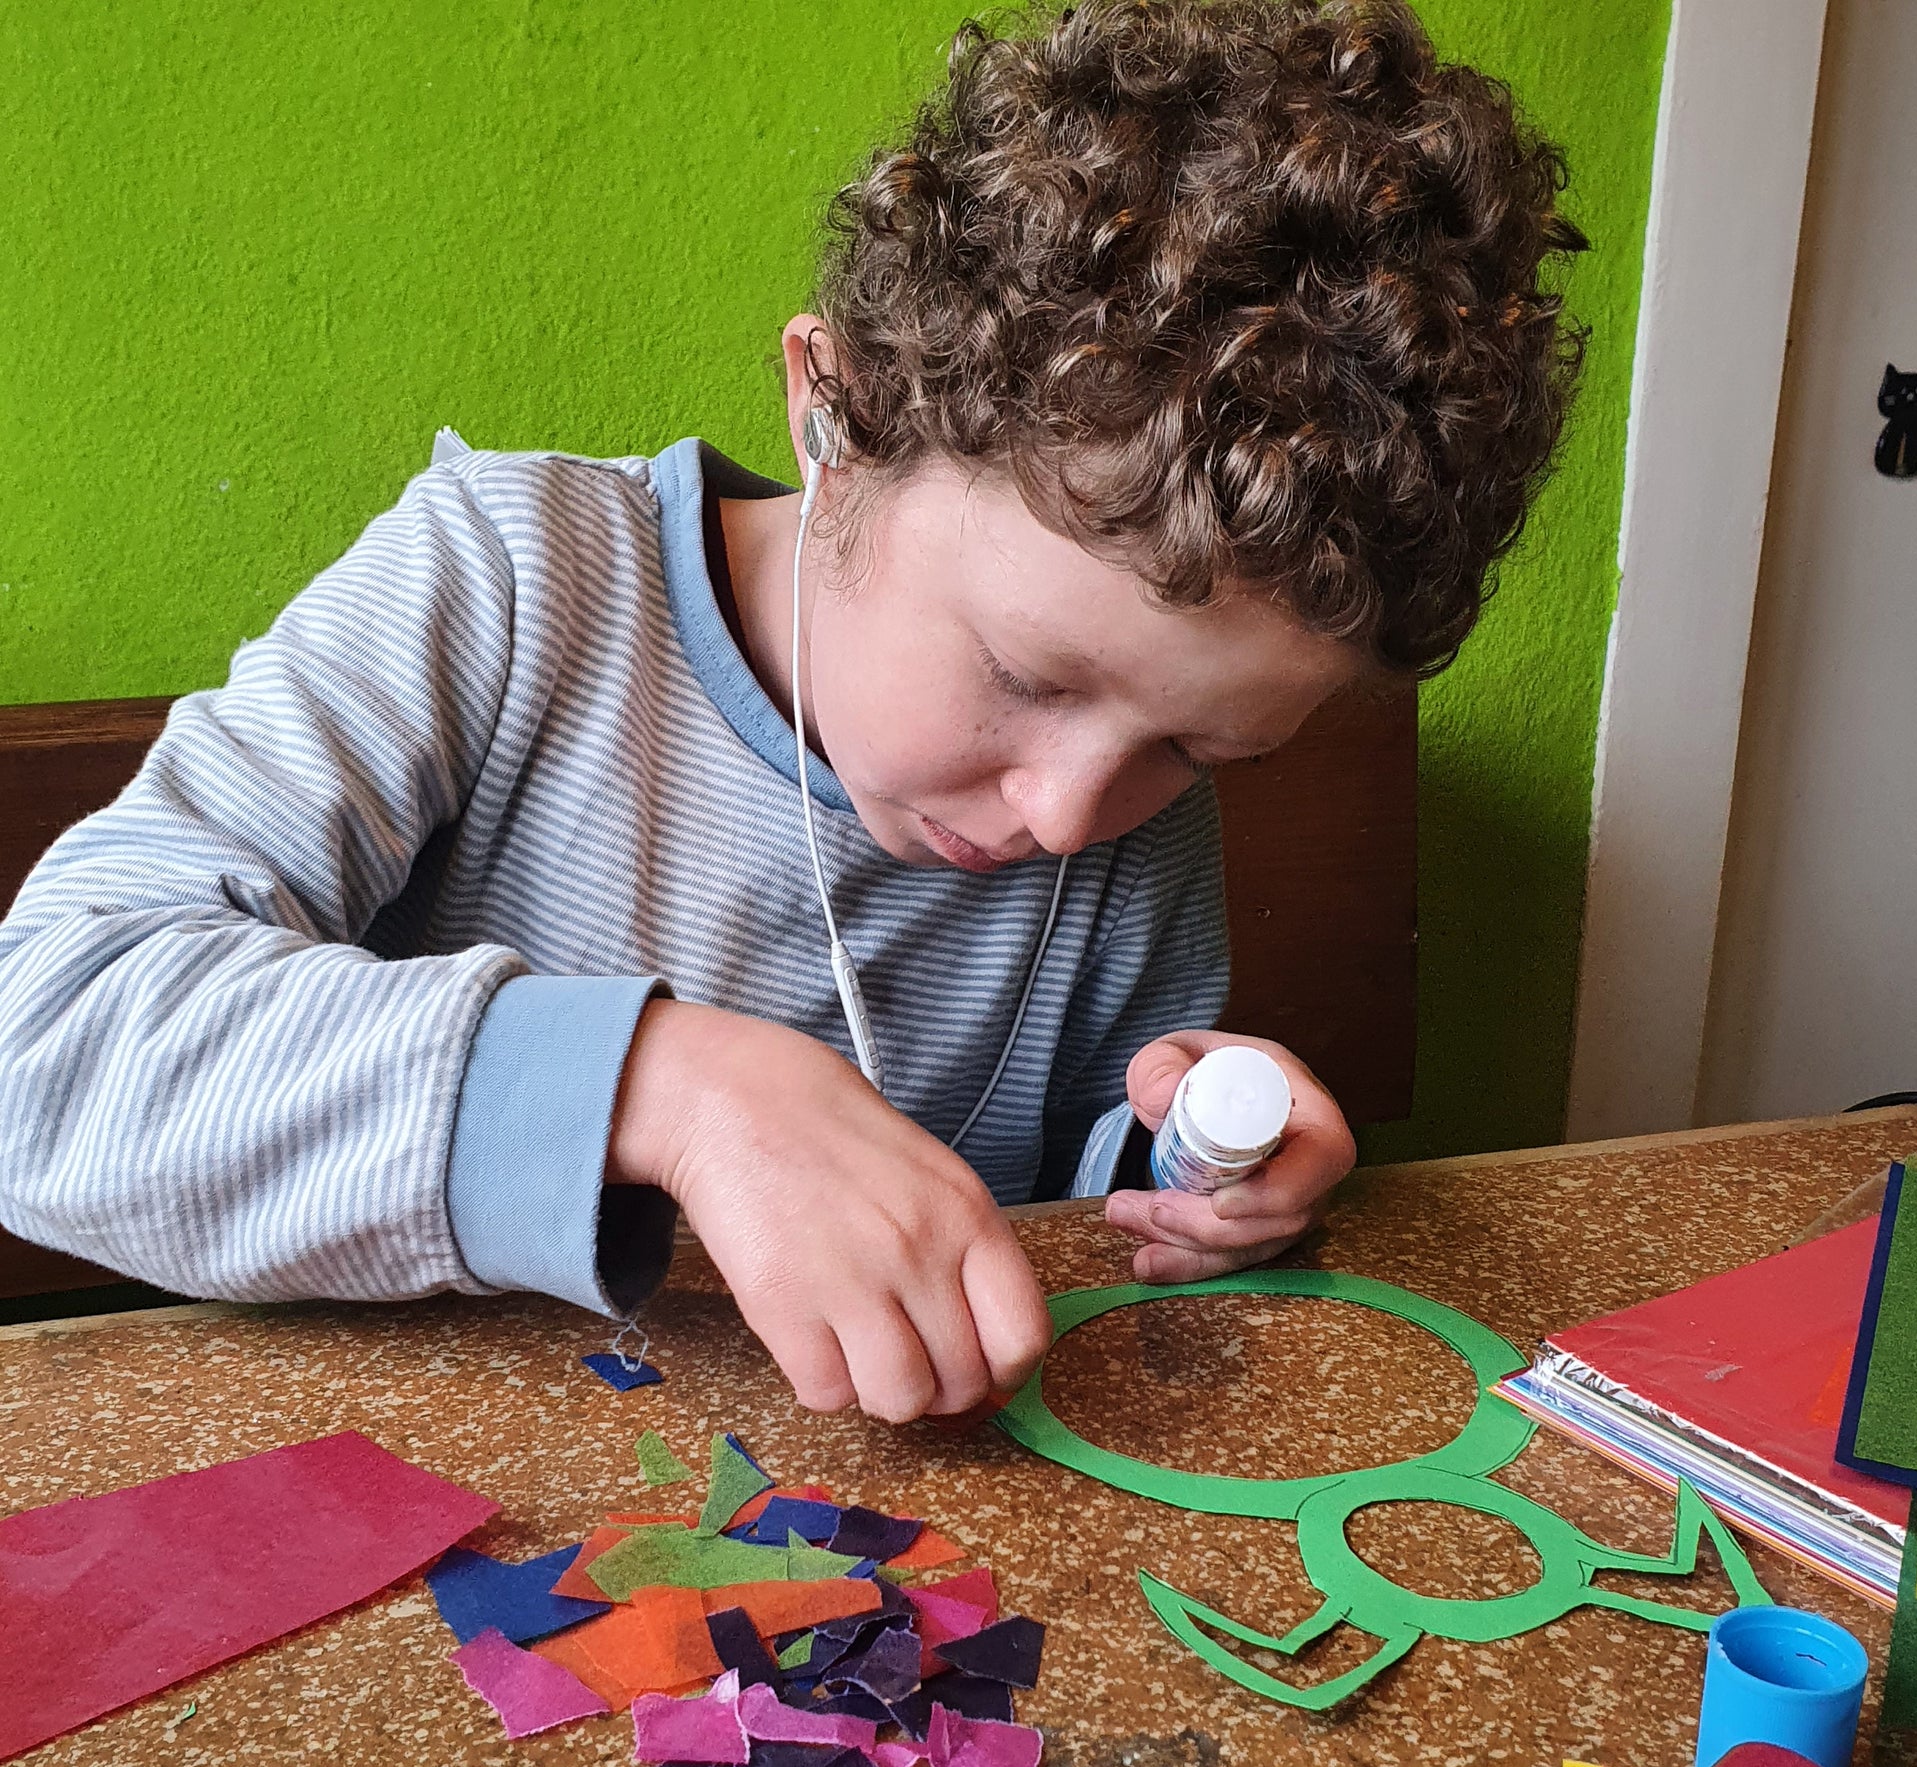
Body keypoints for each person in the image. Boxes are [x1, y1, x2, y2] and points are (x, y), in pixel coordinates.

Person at [0, 0, 1584, 1422]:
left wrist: (1194, 1176)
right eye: (1027, 678)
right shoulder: (508, 581)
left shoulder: (1111, 792)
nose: (1066, 814)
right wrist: (665, 1087)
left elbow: (1072, 1184)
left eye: (1202, 750)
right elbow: (44, 1054)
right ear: (843, 409)